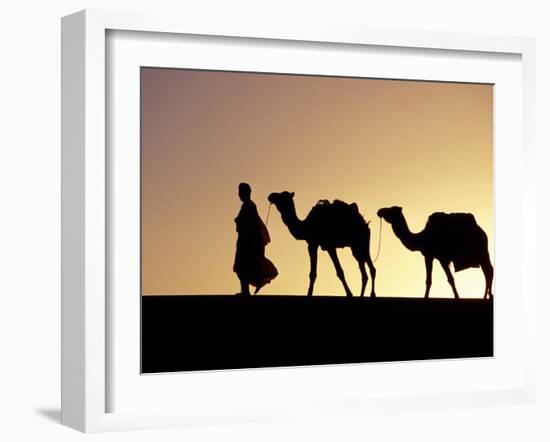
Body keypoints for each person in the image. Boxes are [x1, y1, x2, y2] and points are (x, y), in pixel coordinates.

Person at [233, 183, 278, 295]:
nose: (239, 195)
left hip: (248, 242)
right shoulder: (247, 206)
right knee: (242, 267)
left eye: (241, 192)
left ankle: (245, 291)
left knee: (244, 266)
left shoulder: (249, 206)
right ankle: (245, 291)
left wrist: (238, 221)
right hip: (245, 241)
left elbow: (250, 224)